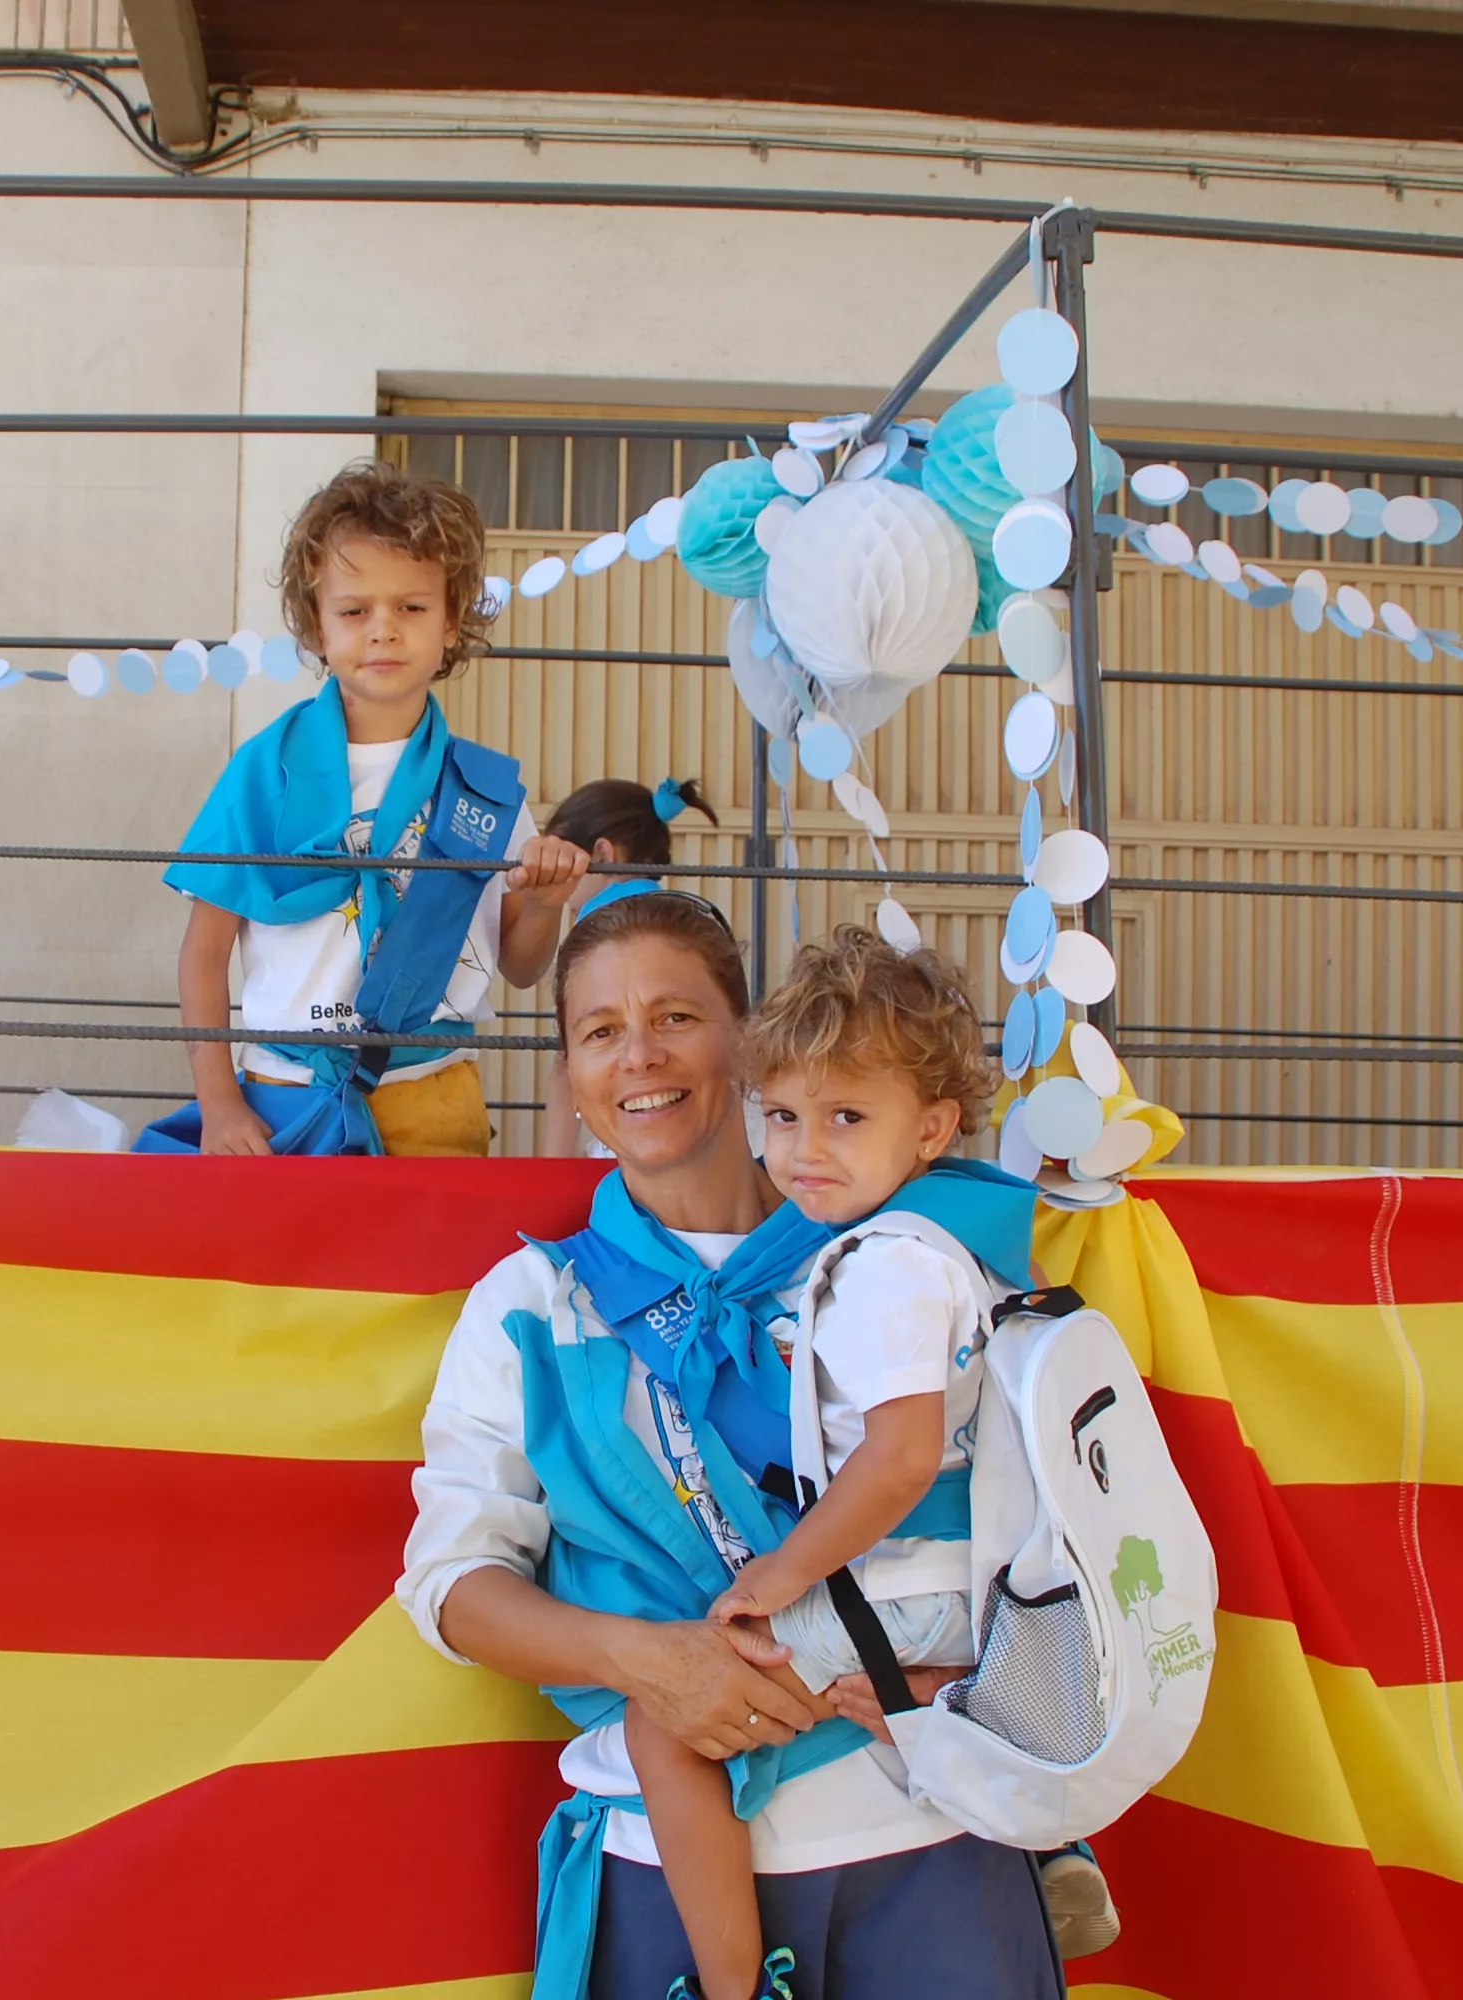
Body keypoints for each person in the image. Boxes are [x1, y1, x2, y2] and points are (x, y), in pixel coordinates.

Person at [397, 891, 1065, 2000]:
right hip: (666, 1873)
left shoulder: (900, 1254)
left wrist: (983, 1675)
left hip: (935, 1847)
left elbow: (1038, 1514)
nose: (639, 1056)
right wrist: (643, 1660)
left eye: (675, 1014)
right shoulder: (532, 1304)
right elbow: (451, 1584)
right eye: (599, 1030)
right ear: (569, 1069)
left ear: (750, 1040)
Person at [622, 926, 1100, 1998]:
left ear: (929, 1125)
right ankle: (1027, 1807)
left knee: (661, 1721)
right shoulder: (950, 1239)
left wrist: (773, 1576)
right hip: (954, 1591)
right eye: (782, 1116)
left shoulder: (883, 1266)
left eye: (846, 1117)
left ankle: (735, 1983)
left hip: (897, 1586)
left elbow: (896, 1461)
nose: (805, 1151)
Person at [150, 461, 587, 1158]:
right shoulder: (263, 770)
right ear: (316, 628)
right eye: (354, 611)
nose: (382, 630)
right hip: (278, 1100)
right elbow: (203, 954)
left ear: (451, 622)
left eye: (411, 607)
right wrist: (219, 1103)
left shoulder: (485, 791)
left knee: (428, 1272)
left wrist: (543, 905)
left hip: (436, 1099)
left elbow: (521, 966)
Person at [538, 779, 719, 1159]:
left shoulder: (597, 928)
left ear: (601, 852)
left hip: (625, 1137)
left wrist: (551, 1164)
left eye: (562, 861)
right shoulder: (689, 916)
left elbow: (564, 1066)